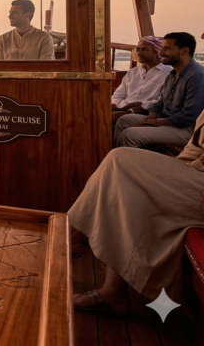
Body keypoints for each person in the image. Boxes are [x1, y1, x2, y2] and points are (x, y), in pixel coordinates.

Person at [69, 107, 204, 315]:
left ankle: (62, 240)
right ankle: (113, 291)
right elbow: (195, 147)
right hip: (195, 175)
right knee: (121, 180)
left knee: (119, 161)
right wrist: (171, 169)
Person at [114, 32, 204, 150]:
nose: (161, 53)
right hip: (166, 119)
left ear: (184, 51)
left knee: (130, 135)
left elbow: (189, 116)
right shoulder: (172, 74)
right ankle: (119, 157)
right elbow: (161, 102)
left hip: (186, 129)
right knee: (124, 121)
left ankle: (130, 166)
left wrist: (151, 123)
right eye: (161, 48)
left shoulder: (197, 75)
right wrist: (150, 118)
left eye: (166, 49)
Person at [110, 36, 171, 124]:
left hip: (145, 112)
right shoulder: (132, 72)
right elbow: (118, 95)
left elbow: (160, 101)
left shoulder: (168, 74)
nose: (139, 53)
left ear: (157, 52)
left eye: (144, 49)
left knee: (121, 120)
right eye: (138, 49)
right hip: (121, 108)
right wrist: (112, 106)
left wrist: (129, 111)